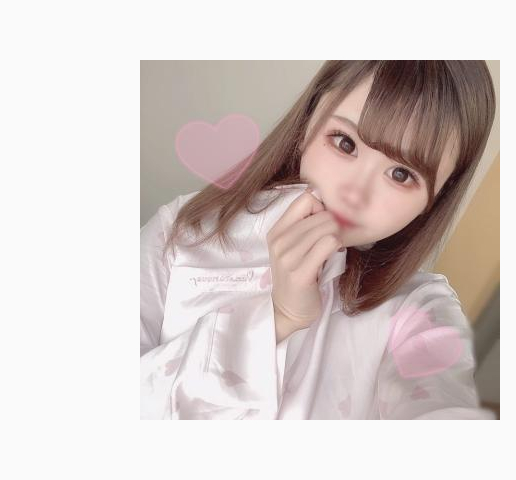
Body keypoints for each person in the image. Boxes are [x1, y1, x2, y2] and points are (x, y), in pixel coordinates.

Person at [141, 60, 497, 419]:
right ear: (309, 120)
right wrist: (277, 319)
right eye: (345, 143)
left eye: (401, 174)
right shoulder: (183, 230)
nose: (354, 193)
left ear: (435, 197)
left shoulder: (420, 310)